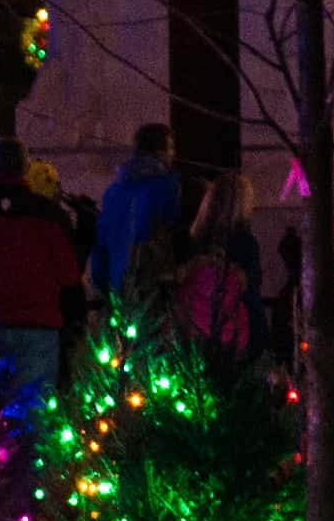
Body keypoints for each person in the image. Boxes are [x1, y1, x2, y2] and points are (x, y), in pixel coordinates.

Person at [0, 138, 83, 400]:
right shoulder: (49, 215)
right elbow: (68, 275)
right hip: (38, 325)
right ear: (26, 167)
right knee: (36, 412)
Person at [175, 169, 262, 374]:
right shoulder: (245, 244)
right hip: (236, 337)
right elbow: (251, 292)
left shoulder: (192, 242)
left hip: (194, 333)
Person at [93, 123, 184, 301]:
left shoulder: (114, 191)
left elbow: (101, 240)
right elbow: (171, 230)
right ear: (159, 151)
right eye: (171, 148)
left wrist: (101, 283)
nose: (173, 155)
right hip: (152, 284)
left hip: (116, 281)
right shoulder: (165, 186)